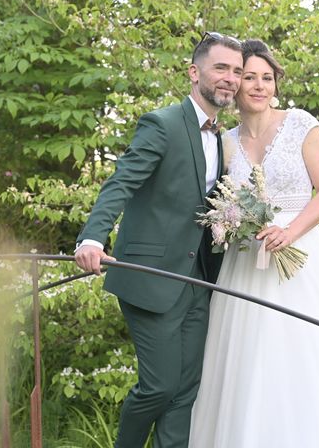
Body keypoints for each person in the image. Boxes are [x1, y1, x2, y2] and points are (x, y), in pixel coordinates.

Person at [188, 40, 319, 447]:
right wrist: (235, 224)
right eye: (249, 77)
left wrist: (290, 231)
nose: (260, 85)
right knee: (249, 356)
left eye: (268, 78)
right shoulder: (225, 141)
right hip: (247, 260)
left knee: (307, 349)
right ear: (235, 82)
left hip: (300, 255)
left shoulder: (302, 124)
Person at [75, 32, 243, 448]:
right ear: (194, 72)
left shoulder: (222, 138)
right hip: (150, 276)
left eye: (237, 71)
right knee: (159, 387)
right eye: (221, 68)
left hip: (199, 279)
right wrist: (93, 238)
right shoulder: (162, 124)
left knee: (186, 391)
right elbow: (121, 184)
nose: (231, 79)